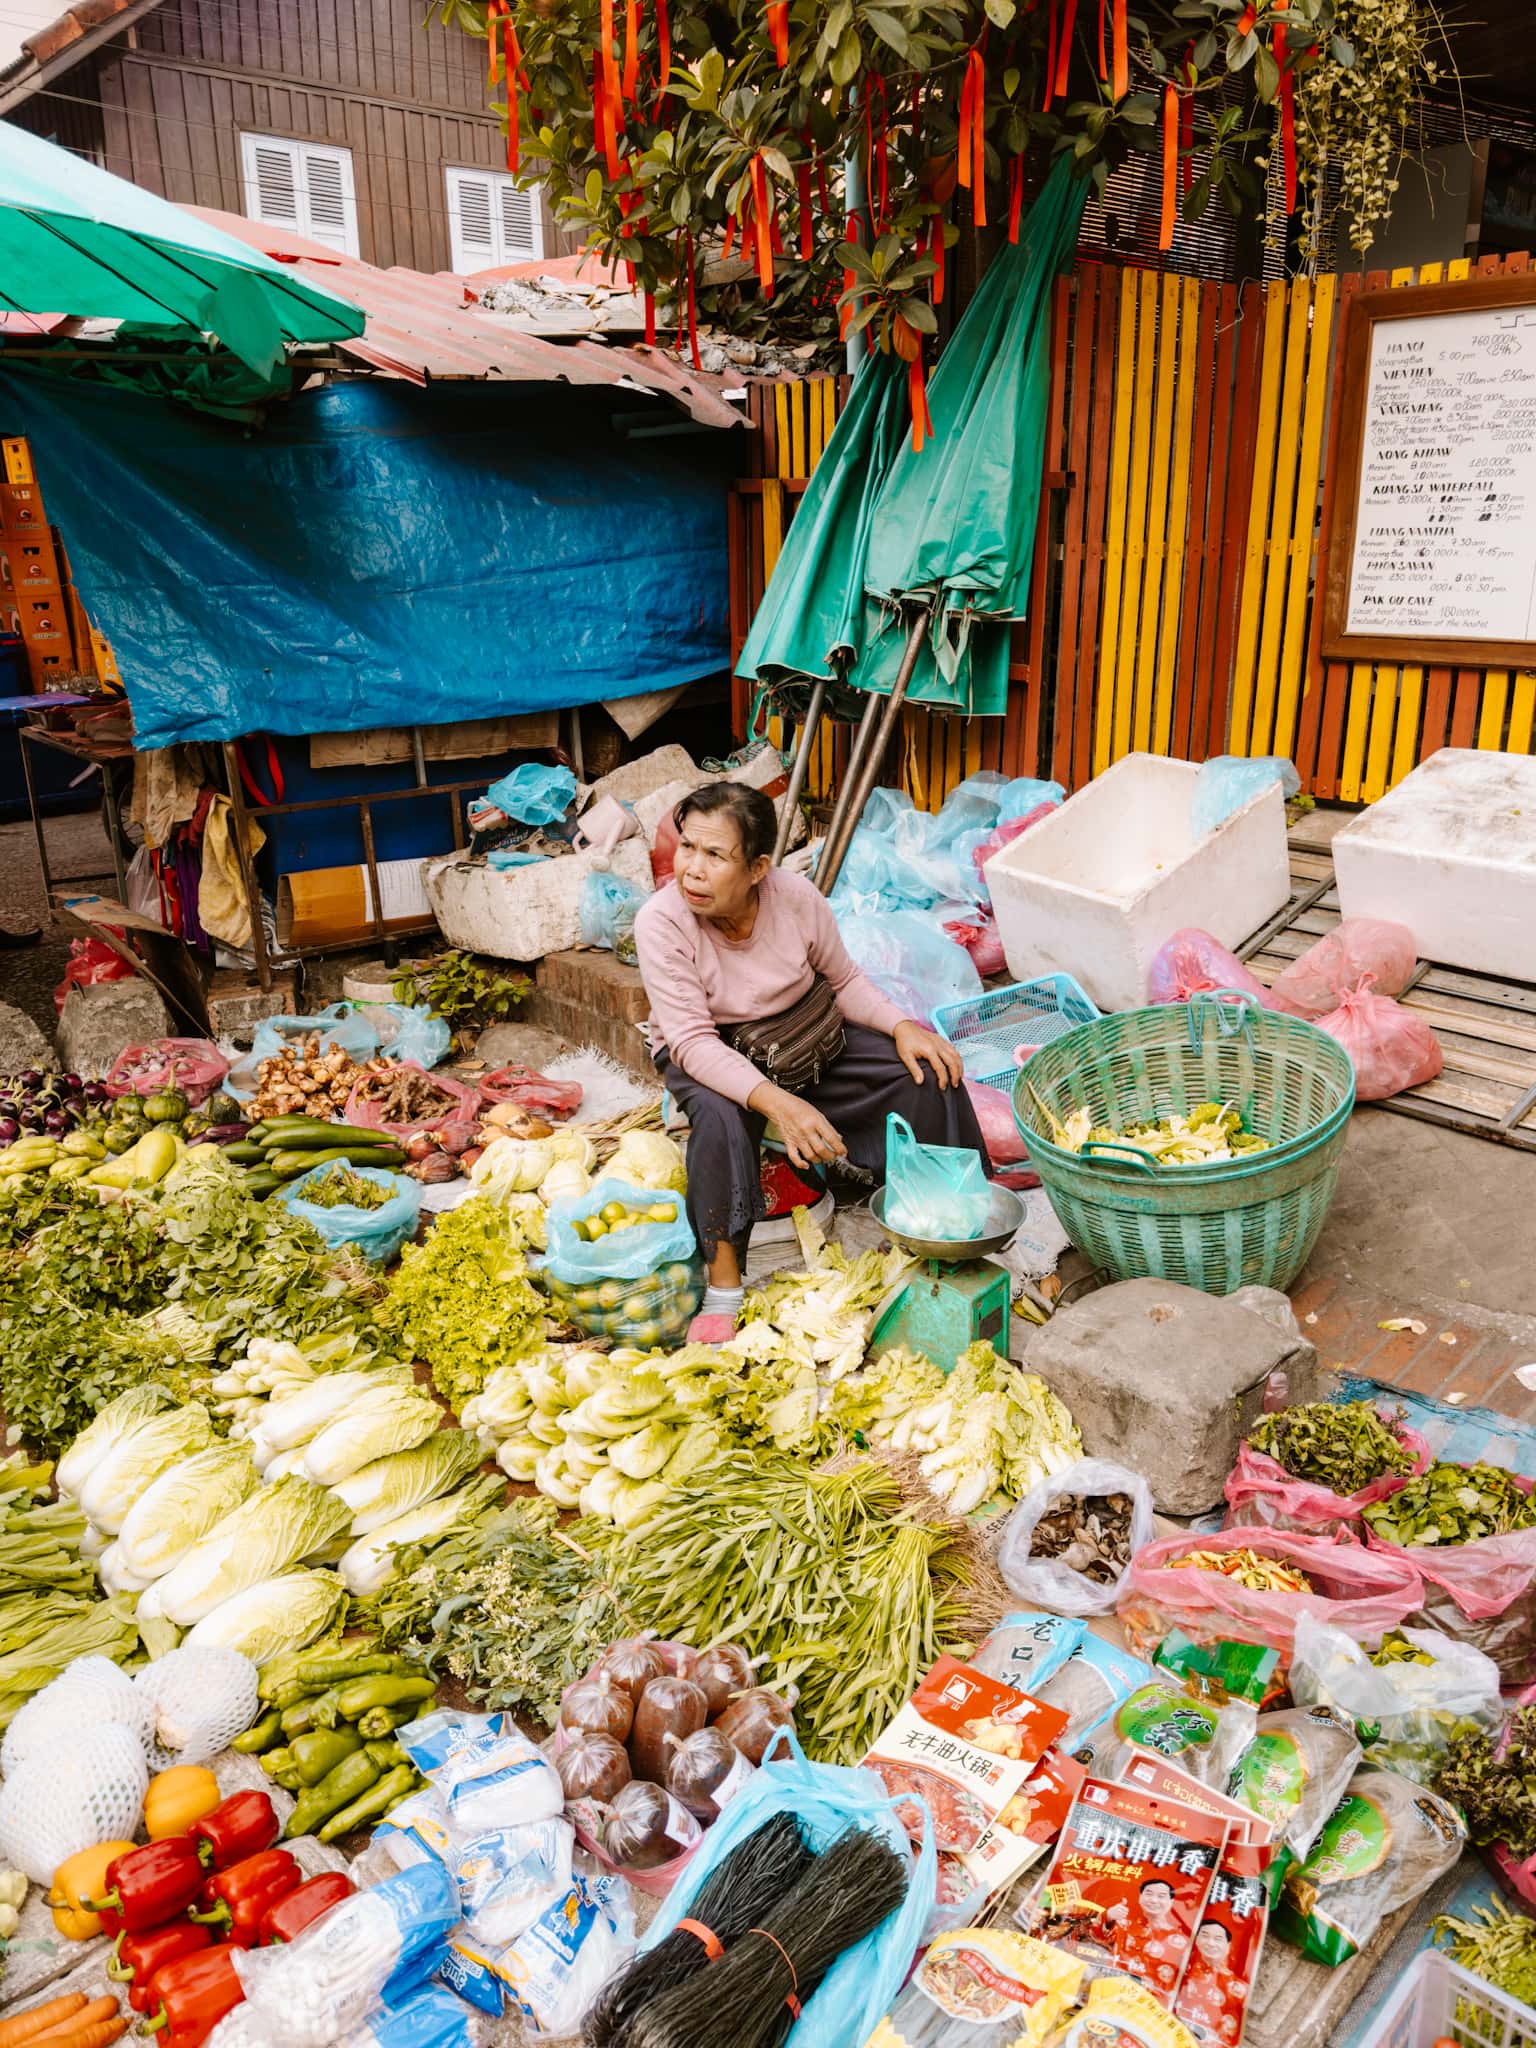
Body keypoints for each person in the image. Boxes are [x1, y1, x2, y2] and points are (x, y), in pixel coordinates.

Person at [634, 780, 987, 1341]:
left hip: (804, 1031)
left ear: (758, 869)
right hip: (710, 1047)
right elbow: (693, 1041)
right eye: (687, 848)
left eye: (716, 855)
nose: (692, 870)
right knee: (723, 1121)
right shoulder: (662, 922)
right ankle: (723, 1286)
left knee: (926, 1074)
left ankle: (953, 1223)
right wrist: (782, 1105)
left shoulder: (795, 898)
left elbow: (843, 978)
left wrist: (902, 1027)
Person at [1102, 1877, 1185, 1993]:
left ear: (1171, 1902)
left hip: (1148, 2002)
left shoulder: (1180, 1941)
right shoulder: (1124, 1923)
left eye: (1161, 1896)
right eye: (1149, 1894)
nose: (1154, 1900)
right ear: (1140, 1897)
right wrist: (1109, 1916)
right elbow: (1097, 1940)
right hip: (1110, 1988)